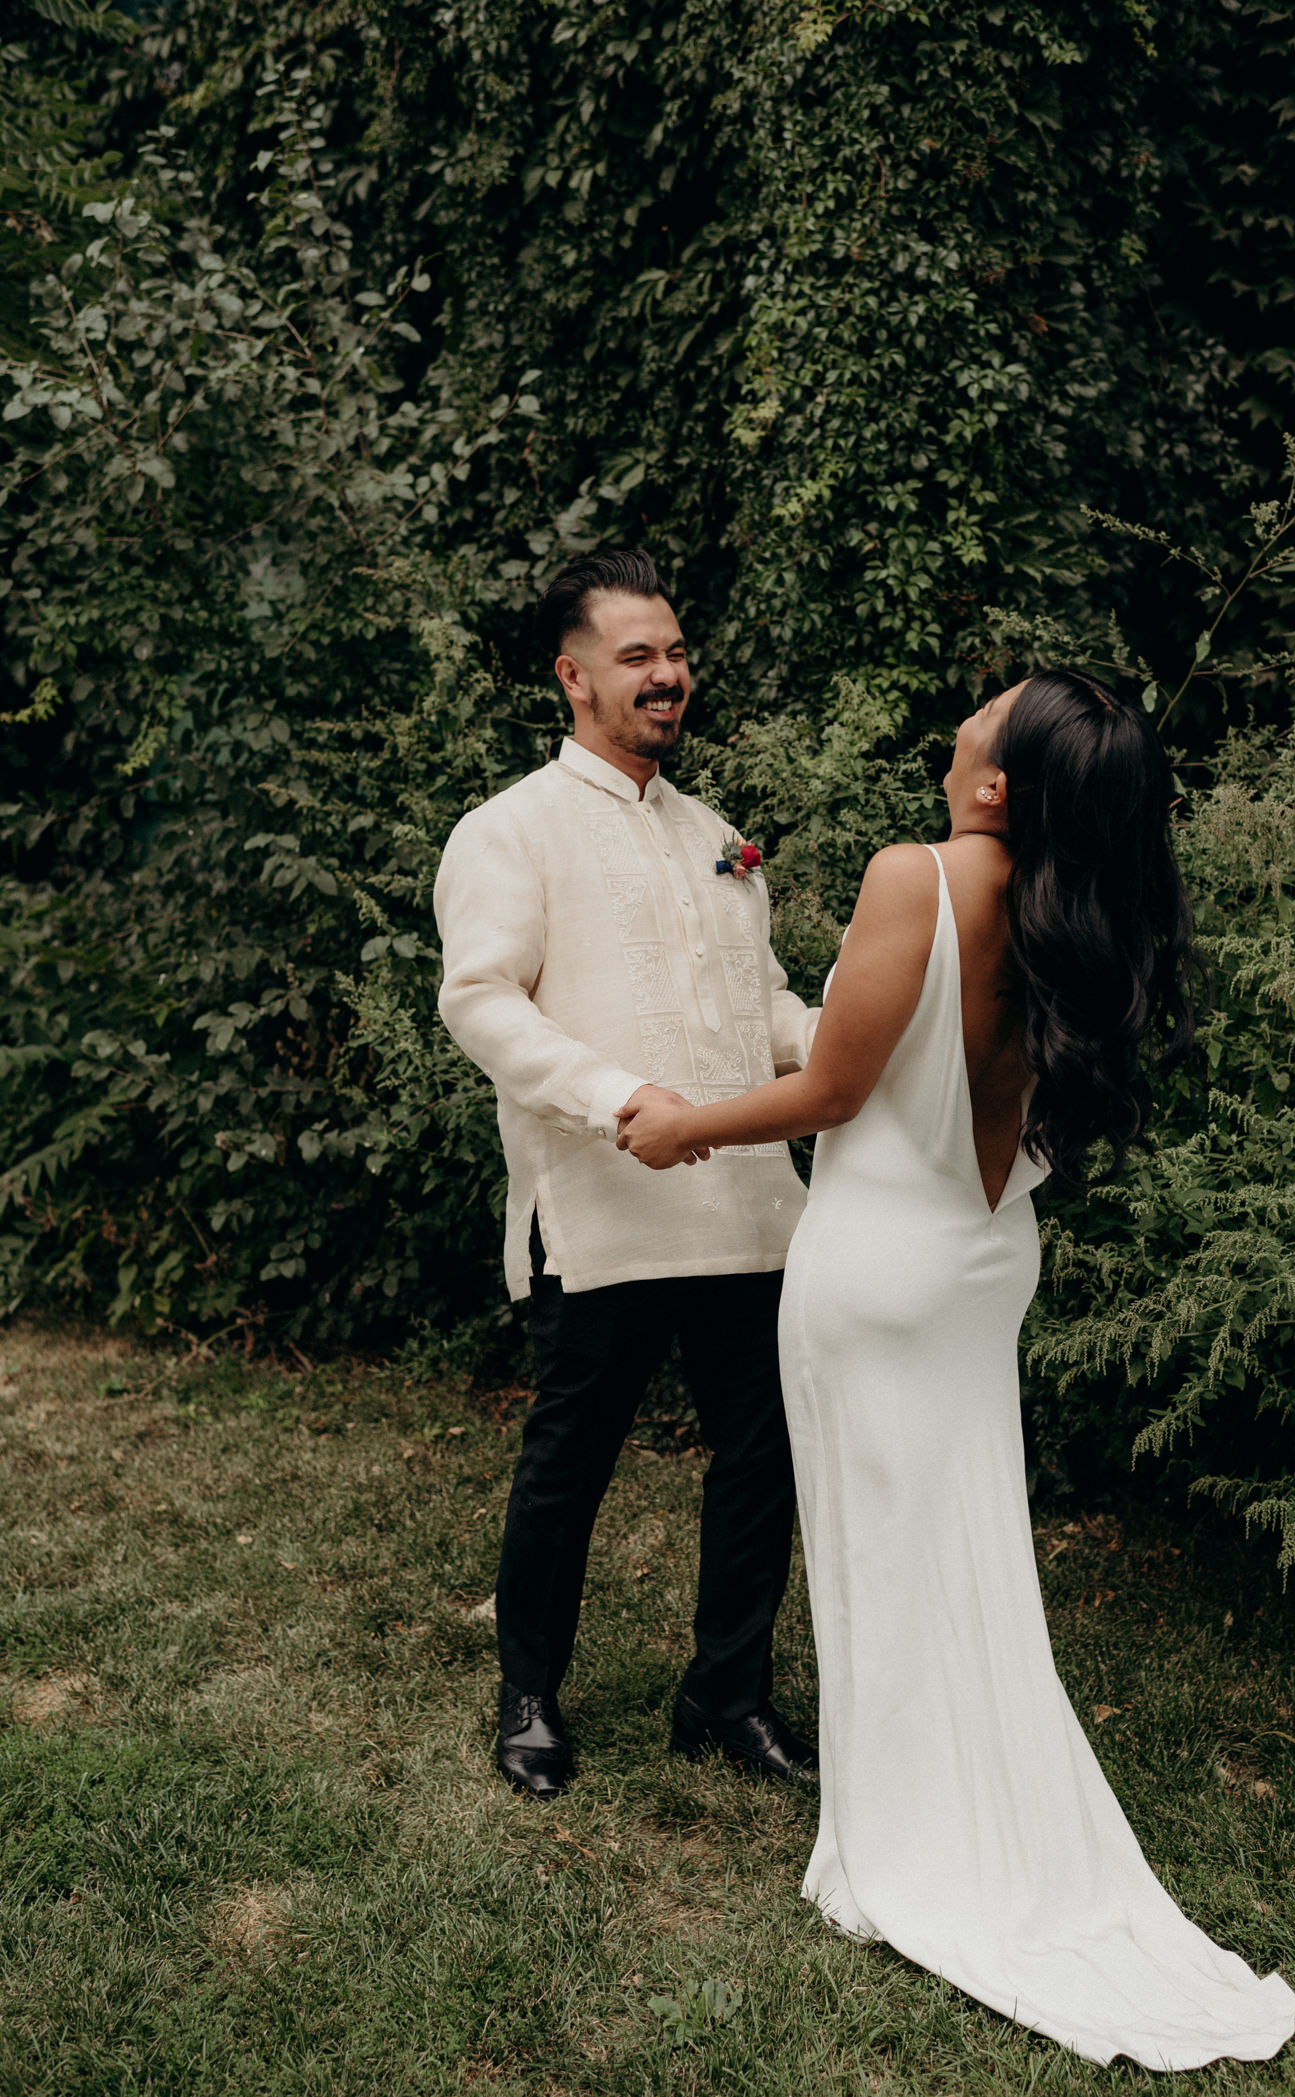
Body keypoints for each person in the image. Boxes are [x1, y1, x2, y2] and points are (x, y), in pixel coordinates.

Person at [617, 671, 1295, 2069]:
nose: (964, 723)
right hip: (984, 1256)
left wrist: (681, 1126)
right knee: (964, 1550)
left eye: (983, 719)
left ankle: (896, 1845)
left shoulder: (919, 873)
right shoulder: (1079, 902)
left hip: (873, 1266)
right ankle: (961, 1804)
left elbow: (833, 1092)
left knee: (883, 1552)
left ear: (997, 783)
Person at [433, 547, 820, 1802]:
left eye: (675, 652)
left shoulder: (715, 837)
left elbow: (766, 1013)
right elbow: (481, 1003)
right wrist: (615, 1099)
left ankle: (726, 1693)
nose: (669, 676)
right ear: (574, 678)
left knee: (765, 1455)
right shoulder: (508, 831)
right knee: (570, 1463)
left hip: (753, 1210)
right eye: (638, 657)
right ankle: (529, 1693)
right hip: (600, 1212)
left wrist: (876, 1050)